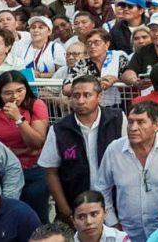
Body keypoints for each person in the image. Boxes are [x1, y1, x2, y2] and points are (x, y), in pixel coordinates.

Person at [95, 100, 158, 242]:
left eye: (140, 122)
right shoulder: (114, 150)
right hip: (128, 233)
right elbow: (102, 188)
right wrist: (112, 223)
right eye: (130, 122)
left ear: (156, 125)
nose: (133, 127)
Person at [39, 74, 126, 224]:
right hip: (77, 206)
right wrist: (65, 210)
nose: (81, 100)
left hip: (115, 203)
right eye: (76, 96)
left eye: (87, 95)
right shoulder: (59, 129)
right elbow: (50, 172)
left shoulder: (118, 119)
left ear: (99, 98)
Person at [0, 70, 51, 222]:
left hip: (32, 169)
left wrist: (18, 119)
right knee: (5, 216)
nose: (15, 97)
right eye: (8, 93)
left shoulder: (36, 104)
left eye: (19, 91)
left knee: (36, 216)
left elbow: (36, 143)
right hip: (0, 171)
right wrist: (21, 151)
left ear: (26, 89)